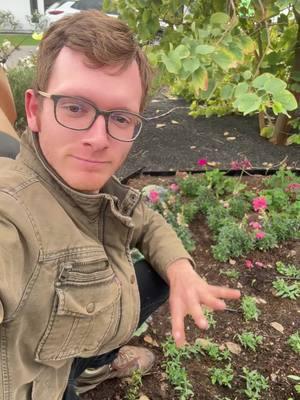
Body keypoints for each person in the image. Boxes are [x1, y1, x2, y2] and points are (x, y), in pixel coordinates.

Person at [0, 10, 240, 400]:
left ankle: (94, 363)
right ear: (34, 110)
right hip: (43, 385)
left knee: (161, 278)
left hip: (69, 348)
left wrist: (181, 271)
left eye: (121, 117)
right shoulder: (12, 213)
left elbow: (144, 220)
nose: (99, 138)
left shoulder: (87, 181)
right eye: (75, 107)